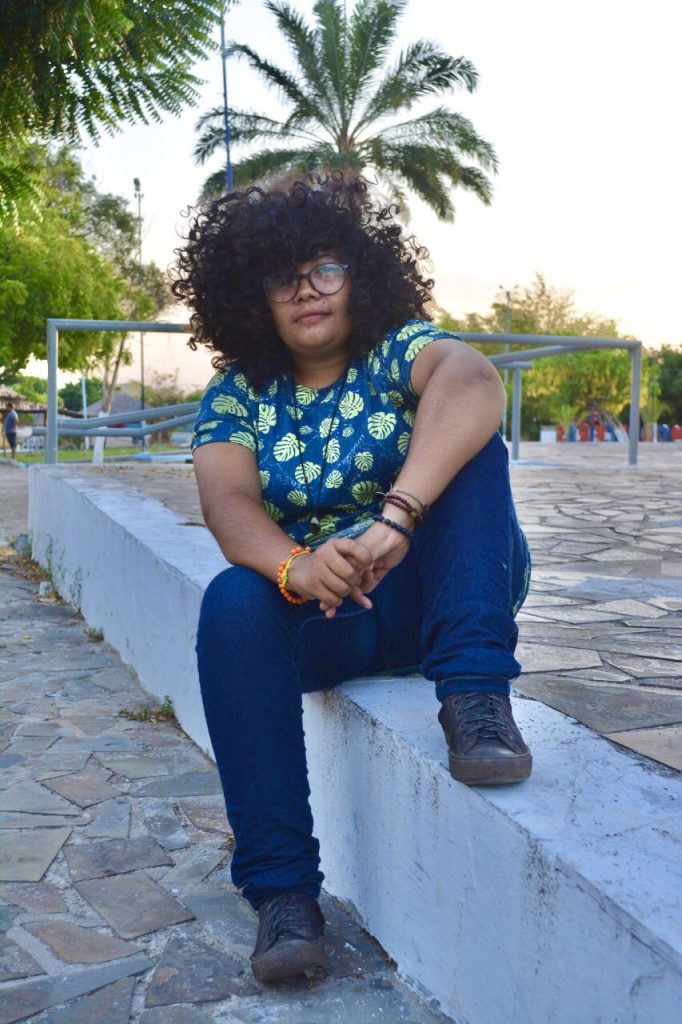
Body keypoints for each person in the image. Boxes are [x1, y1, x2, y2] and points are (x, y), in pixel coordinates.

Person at [173, 174, 532, 984]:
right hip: (333, 612)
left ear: (359, 275)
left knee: (473, 445)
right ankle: (284, 897)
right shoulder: (237, 393)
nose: (306, 289)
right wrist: (297, 567)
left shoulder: (398, 348)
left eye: (325, 268)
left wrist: (397, 518)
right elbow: (227, 503)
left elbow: (474, 381)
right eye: (283, 276)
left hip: (438, 590)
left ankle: (477, 700)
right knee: (233, 600)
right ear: (252, 296)